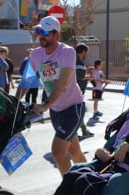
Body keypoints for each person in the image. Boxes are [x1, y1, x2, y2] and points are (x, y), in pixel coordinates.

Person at [29, 16, 87, 175]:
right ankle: (89, 178)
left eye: (46, 31)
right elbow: (27, 80)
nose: (41, 35)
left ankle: (69, 190)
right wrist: (14, 100)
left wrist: (45, 105)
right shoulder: (35, 55)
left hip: (72, 108)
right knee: (74, 151)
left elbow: (61, 83)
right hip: (56, 110)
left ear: (57, 35)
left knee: (58, 151)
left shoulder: (67, 52)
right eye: (39, 31)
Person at [75, 42, 94, 138]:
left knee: (79, 112)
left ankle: (83, 130)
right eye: (86, 52)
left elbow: (78, 74)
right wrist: (88, 77)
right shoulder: (77, 61)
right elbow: (79, 76)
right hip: (75, 93)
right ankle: (74, 133)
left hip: (77, 93)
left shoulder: (77, 61)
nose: (87, 54)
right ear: (83, 52)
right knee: (78, 112)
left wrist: (87, 71)